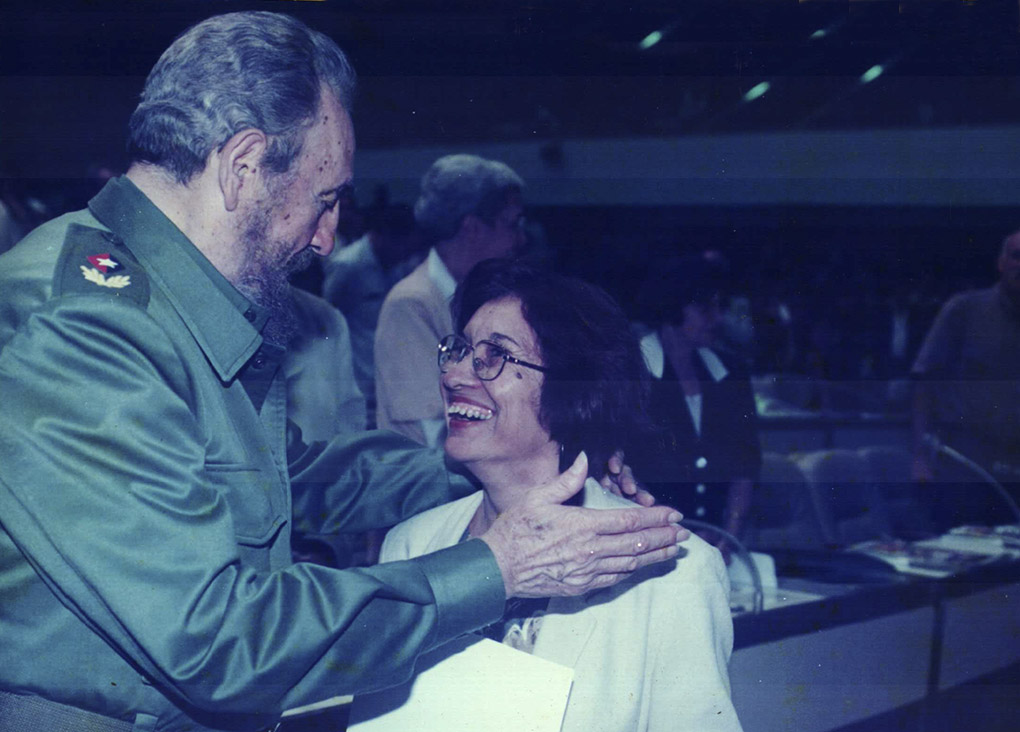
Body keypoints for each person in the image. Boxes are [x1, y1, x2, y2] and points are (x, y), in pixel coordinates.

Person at [0, 13, 685, 732]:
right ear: (242, 166)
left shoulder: (167, 314)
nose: (327, 240)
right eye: (325, 199)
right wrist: (497, 569)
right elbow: (218, 642)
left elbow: (297, 478)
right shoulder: (86, 326)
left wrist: (515, 460)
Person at [362, 259, 741, 732]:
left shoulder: (672, 574)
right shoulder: (411, 547)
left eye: (493, 355)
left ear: (570, 392)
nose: (456, 373)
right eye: (458, 350)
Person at [374, 153, 526, 446]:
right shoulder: (410, 305)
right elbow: (434, 432)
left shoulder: (484, 298)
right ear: (472, 228)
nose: (520, 240)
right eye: (512, 224)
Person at [632, 253, 762, 550]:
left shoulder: (731, 374)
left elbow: (745, 467)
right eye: (705, 308)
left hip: (721, 546)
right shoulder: (632, 372)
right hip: (651, 547)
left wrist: (727, 539)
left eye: (720, 307)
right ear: (673, 306)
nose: (717, 318)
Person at [911, 230, 1020, 527]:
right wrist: (920, 456)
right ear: (1001, 263)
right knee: (962, 559)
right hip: (965, 468)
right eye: (1016, 256)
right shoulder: (965, 310)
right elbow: (925, 381)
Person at [322, 201, 424, 427]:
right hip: (357, 377)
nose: (405, 253)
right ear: (384, 236)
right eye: (402, 245)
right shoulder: (348, 266)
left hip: (388, 375)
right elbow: (327, 323)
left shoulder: (399, 264)